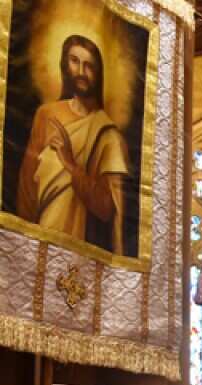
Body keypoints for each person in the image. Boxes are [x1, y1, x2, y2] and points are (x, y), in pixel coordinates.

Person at [17, 35, 130, 254]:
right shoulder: (46, 115)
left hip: (79, 251)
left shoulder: (108, 135)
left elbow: (107, 209)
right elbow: (27, 186)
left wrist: (70, 165)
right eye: (74, 61)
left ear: (98, 74)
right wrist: (24, 241)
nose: (81, 71)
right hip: (39, 239)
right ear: (64, 64)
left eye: (89, 66)